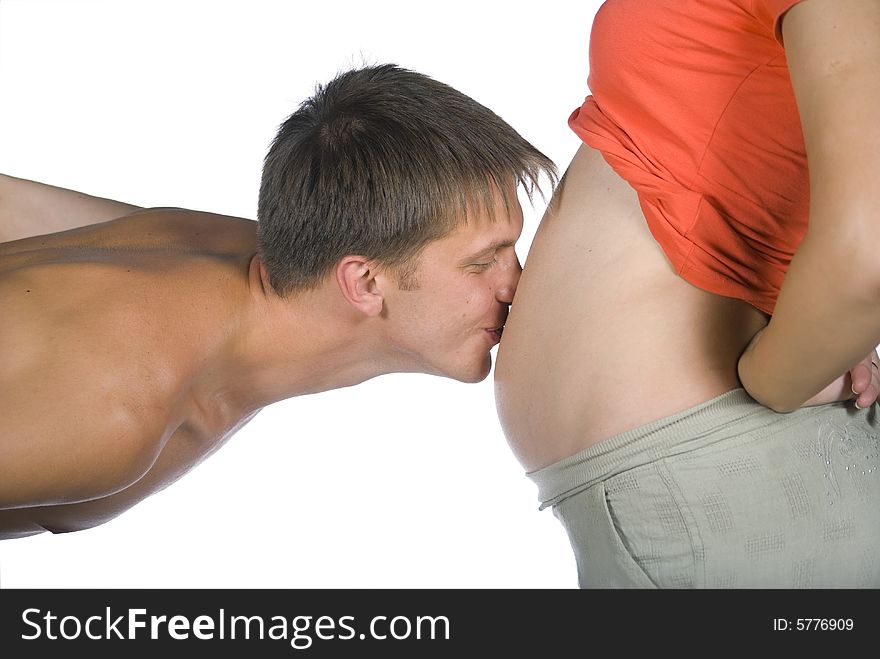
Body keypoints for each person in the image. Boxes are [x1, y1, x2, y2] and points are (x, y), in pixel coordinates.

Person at [0, 63, 556, 539]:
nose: (517, 285)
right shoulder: (117, 409)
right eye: (483, 262)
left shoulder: (221, 250)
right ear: (363, 282)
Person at [495, 0, 880, 588]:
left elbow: (866, 257)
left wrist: (781, 377)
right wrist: (818, 316)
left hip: (732, 482)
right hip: (696, 486)